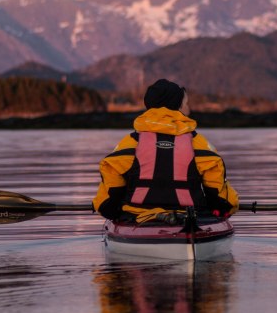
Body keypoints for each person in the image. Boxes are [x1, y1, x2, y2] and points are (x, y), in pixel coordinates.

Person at [92, 78, 239, 224]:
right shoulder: (200, 144)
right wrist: (225, 208)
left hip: (137, 217)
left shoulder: (129, 143)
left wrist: (113, 211)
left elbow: (106, 203)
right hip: (190, 218)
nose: (189, 108)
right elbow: (223, 201)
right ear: (178, 107)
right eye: (186, 104)